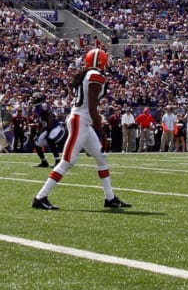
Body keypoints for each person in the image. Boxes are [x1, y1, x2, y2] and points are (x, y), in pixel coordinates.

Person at [32, 47, 131, 212]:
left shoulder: (86, 75)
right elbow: (92, 108)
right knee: (67, 161)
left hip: (83, 122)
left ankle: (110, 198)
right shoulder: (95, 76)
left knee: (101, 158)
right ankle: (40, 197)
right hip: (80, 121)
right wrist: (102, 134)